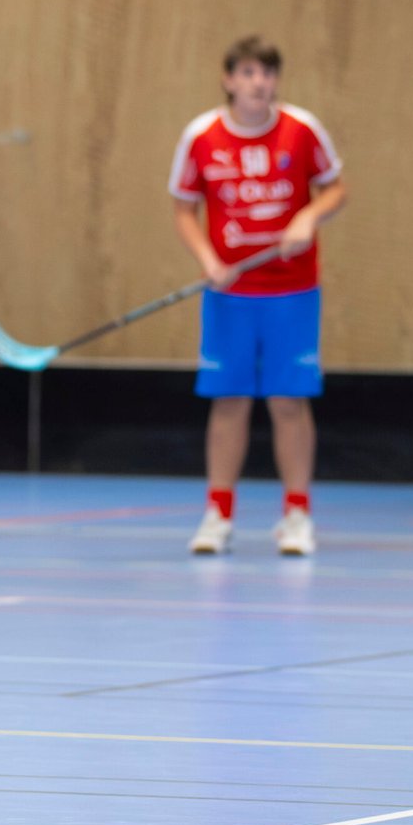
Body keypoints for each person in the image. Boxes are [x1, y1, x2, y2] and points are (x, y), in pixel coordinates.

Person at [168, 35, 346, 557]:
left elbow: (336, 188)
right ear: (228, 80)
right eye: (247, 73)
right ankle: (218, 515)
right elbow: (184, 209)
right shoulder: (201, 136)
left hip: (293, 291)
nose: (259, 83)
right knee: (229, 401)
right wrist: (208, 261)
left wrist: (309, 216)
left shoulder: (302, 129)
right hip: (230, 294)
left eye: (267, 73)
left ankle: (296, 514)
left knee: (289, 400)